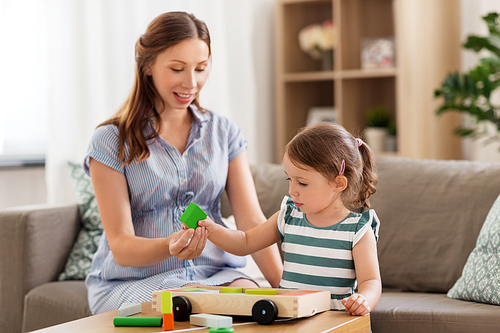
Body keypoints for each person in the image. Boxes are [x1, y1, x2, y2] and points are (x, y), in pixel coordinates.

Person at [83, 11, 283, 314]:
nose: (191, 82)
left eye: (201, 68)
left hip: (216, 272)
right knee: (192, 305)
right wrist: (169, 246)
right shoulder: (111, 140)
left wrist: (288, 290)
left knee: (258, 305)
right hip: (134, 280)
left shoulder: (224, 132)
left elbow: (252, 222)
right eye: (177, 68)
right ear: (148, 65)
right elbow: (121, 246)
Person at [198, 122, 382, 315]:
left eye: (302, 183)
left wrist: (363, 299)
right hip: (290, 317)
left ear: (338, 183)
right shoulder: (288, 216)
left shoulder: (358, 230)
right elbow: (245, 242)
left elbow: (371, 281)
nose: (292, 190)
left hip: (334, 321)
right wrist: (212, 229)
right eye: (290, 179)